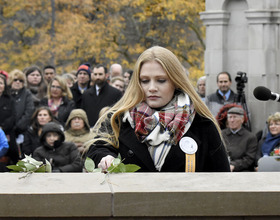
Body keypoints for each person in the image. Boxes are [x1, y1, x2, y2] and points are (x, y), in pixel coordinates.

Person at [85, 46, 230, 172]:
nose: (152, 88)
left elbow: (221, 178)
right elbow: (97, 148)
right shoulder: (117, 118)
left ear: (175, 81)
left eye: (161, 80)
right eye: (145, 80)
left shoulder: (202, 124)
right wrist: (106, 158)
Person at [8, 69, 35, 161]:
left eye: (21, 80)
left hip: (23, 131)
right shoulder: (6, 94)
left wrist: (19, 126)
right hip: (8, 131)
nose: (18, 82)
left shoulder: (27, 94)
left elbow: (29, 111)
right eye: (15, 80)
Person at [222, 107, 257, 172]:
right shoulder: (221, 134)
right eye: (230, 117)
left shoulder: (250, 137)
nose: (232, 120)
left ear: (242, 119)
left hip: (242, 170)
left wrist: (234, 165)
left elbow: (249, 158)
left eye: (235, 117)